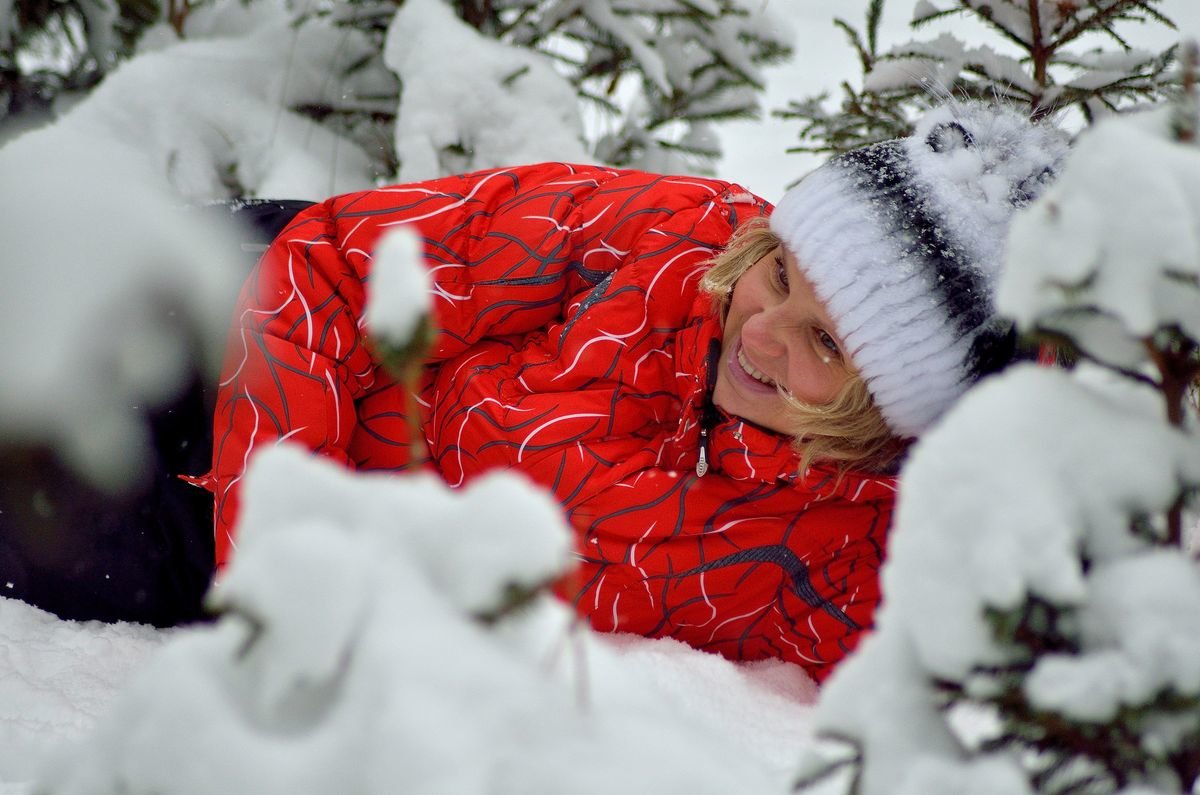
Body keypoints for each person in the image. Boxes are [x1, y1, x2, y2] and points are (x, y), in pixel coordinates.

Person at [195, 101, 1067, 682]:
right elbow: (336, 264)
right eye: (779, 273)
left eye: (827, 343)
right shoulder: (664, 235)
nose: (759, 330)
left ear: (891, 411)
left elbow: (1049, 677)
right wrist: (279, 564)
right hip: (231, 320)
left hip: (191, 549)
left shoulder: (851, 548)